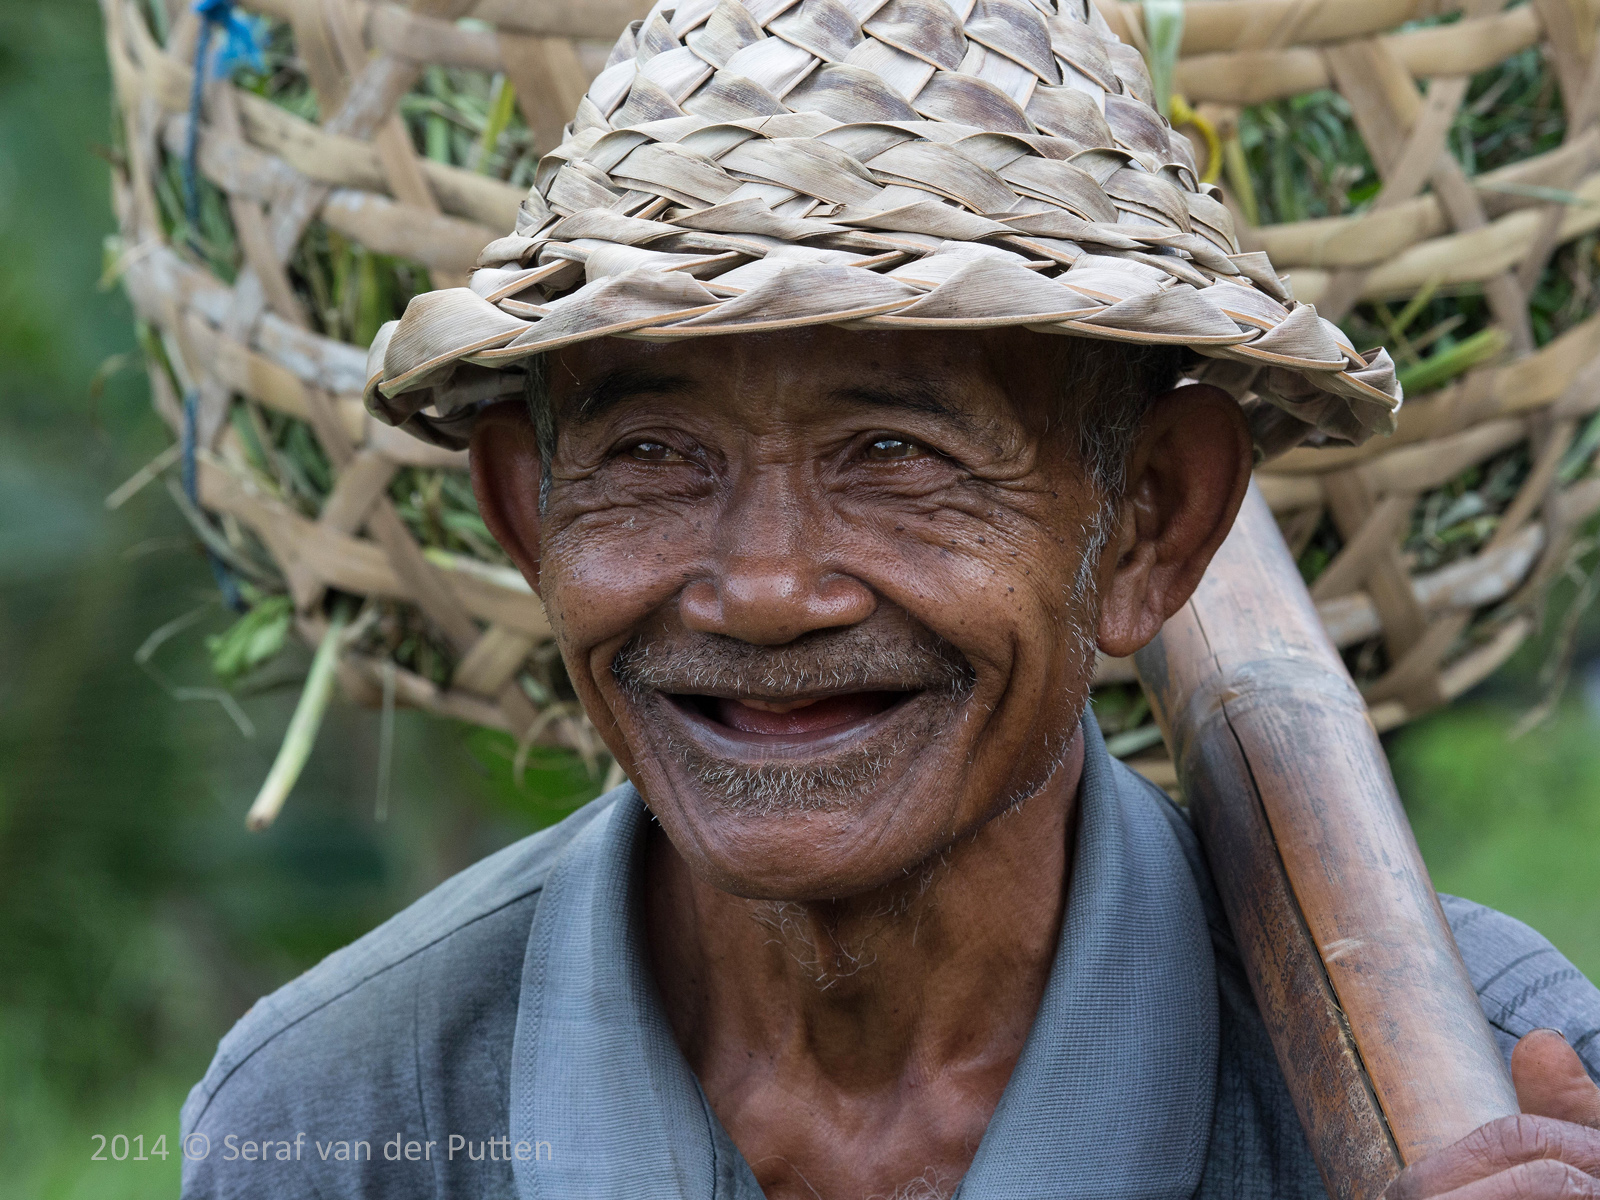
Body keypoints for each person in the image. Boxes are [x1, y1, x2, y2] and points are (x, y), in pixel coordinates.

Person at [181, 1, 1600, 1196]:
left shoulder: (1477, 1087)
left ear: (1150, 524)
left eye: (896, 455)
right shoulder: (339, 1123)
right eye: (653, 457)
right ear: (527, 516)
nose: (764, 593)